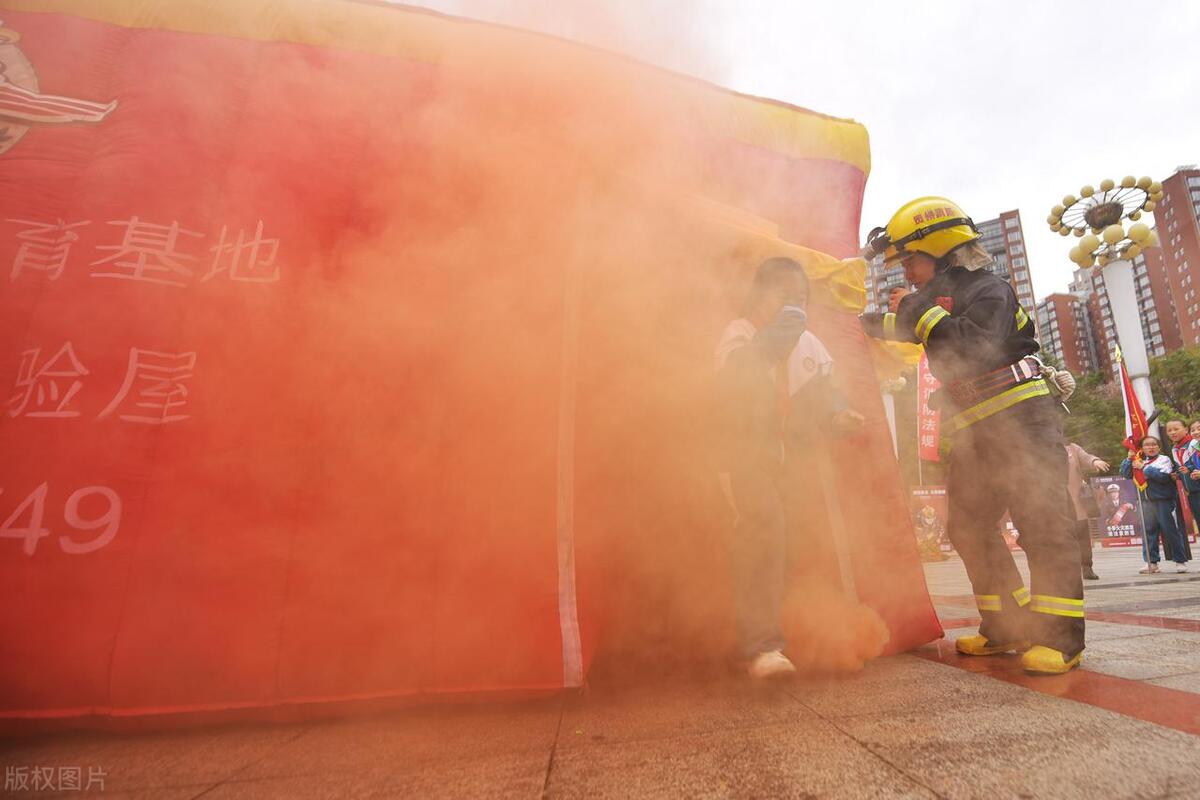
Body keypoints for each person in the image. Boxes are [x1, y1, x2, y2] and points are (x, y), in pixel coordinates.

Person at [860, 196, 1084, 675]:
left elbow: (973, 345)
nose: (907, 272)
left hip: (1021, 418)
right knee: (967, 527)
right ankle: (1007, 626)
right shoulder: (936, 301)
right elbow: (903, 327)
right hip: (973, 429)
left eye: (910, 260)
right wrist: (857, 324)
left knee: (1041, 522)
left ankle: (1062, 639)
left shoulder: (989, 288)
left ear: (939, 249)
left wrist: (919, 310)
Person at [714, 257, 863, 679]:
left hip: (791, 462)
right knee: (763, 528)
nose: (794, 305)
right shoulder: (739, 334)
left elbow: (826, 396)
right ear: (759, 295)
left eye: (801, 298)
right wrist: (781, 332)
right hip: (742, 456)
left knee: (787, 543)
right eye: (784, 295)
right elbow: (734, 382)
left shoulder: (811, 344)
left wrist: (839, 415)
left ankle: (783, 634)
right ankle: (761, 648)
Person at [1121, 436, 1190, 574]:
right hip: (1145, 502)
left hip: (1164, 501)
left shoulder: (1164, 459)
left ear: (1158, 447)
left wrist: (1144, 468)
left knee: (1171, 531)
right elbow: (1125, 474)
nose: (1151, 447)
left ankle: (1180, 560)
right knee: (1149, 533)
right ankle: (1151, 562)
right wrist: (1129, 459)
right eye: (1147, 445)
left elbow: (1163, 477)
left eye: (1154, 444)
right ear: (1142, 448)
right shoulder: (1137, 460)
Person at [1065, 442, 1109, 580]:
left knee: (1082, 536)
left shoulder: (1072, 448)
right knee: (1061, 537)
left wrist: (1095, 461)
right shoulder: (1043, 446)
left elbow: (1086, 457)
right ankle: (1064, 569)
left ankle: (1087, 567)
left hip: (1076, 500)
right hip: (1054, 501)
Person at [1165, 419, 1200, 558]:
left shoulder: (1194, 444)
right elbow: (1187, 468)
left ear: (1185, 430)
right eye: (1169, 430)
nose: (1173, 432)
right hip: (1191, 491)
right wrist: (1178, 475)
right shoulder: (1175, 449)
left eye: (1176, 429)